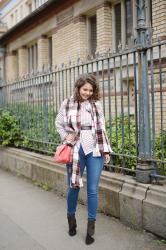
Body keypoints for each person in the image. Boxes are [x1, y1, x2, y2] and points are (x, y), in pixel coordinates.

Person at [55, 73, 112, 245]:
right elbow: (58, 122)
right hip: (75, 149)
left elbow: (102, 126)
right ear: (78, 87)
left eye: (90, 90)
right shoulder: (67, 103)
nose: (87, 92)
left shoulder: (96, 105)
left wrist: (106, 150)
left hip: (95, 149)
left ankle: (90, 228)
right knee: (74, 187)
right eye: (84, 89)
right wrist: (66, 136)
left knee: (93, 189)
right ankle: (71, 221)